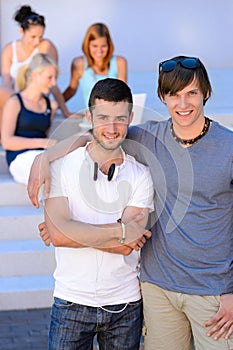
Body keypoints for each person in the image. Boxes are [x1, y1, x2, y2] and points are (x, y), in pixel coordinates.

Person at [28, 56, 233, 349]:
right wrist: (45, 156)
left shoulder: (229, 147)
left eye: (192, 93)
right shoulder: (148, 137)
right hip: (158, 290)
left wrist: (232, 289)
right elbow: (98, 133)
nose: (183, 103)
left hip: (214, 294)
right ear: (163, 97)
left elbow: (127, 241)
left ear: (207, 93)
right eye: (174, 94)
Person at [42, 78, 154, 349]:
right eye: (103, 117)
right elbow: (57, 235)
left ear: (130, 118)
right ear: (90, 116)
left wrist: (70, 229)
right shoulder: (60, 166)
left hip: (124, 306)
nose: (111, 128)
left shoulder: (141, 175)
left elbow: (128, 247)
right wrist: (120, 231)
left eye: (119, 119)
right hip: (71, 302)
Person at [0, 4, 72, 136]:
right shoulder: (9, 50)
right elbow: (6, 83)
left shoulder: (45, 46)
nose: (37, 41)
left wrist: (65, 110)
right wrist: (8, 102)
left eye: (40, 36)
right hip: (16, 97)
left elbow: (52, 80)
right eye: (33, 37)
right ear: (22, 31)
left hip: (36, 97)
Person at [1, 53, 58, 185]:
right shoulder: (15, 102)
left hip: (42, 156)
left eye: (55, 78)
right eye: (49, 77)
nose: (54, 83)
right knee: (47, 172)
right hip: (19, 158)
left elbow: (45, 136)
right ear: (34, 76)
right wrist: (42, 143)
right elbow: (7, 142)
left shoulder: (51, 105)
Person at [62, 22, 127, 109]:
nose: (99, 51)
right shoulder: (78, 64)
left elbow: (124, 95)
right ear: (87, 45)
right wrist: (51, 106)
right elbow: (71, 91)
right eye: (95, 46)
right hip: (93, 118)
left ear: (109, 45)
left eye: (103, 46)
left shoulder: (120, 62)